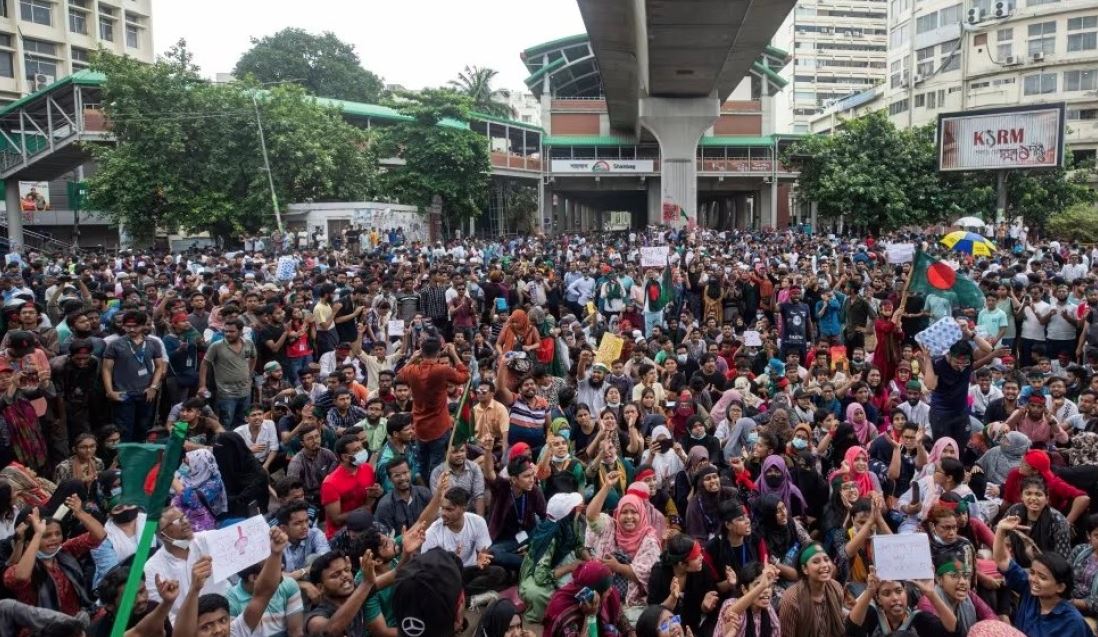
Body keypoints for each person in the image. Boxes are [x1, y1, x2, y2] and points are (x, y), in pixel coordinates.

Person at [3, 495, 105, 615]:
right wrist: (38, 533)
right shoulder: (19, 568)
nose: (54, 539)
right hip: (40, 628)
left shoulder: (65, 551)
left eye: (58, 534)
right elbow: (21, 577)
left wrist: (80, 513)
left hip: (74, 622)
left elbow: (99, 536)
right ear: (28, 543)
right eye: (46, 536)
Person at [993, 514, 1091, 637]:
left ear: (1060, 587)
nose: (1034, 580)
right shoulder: (1029, 590)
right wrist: (1001, 530)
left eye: (1043, 577)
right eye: (1032, 573)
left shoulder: (1072, 622)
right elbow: (1002, 560)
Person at [585, 476, 662, 619]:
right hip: (603, 593)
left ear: (642, 514)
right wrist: (606, 486)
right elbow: (590, 516)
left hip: (632, 601)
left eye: (634, 512)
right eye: (624, 512)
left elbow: (647, 575)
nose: (629, 517)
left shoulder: (649, 539)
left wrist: (618, 567)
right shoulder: (610, 527)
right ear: (617, 514)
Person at [396, 337, 470, 476]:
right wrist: (454, 354)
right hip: (439, 427)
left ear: (421, 352)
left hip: (419, 427)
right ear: (438, 353)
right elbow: (465, 376)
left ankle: (425, 490)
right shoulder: (442, 370)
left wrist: (412, 358)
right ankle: (436, 492)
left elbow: (399, 376)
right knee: (438, 466)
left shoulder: (412, 370)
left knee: (422, 464)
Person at [519, 491, 587, 623]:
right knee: (537, 594)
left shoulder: (569, 524)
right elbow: (541, 577)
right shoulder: (550, 537)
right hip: (537, 572)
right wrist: (570, 567)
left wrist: (589, 559)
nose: (579, 510)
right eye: (575, 508)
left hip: (562, 560)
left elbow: (578, 545)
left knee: (585, 578)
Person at [101, 311, 166, 440]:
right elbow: (106, 369)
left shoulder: (153, 343)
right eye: (127, 326)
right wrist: (110, 391)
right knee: (124, 430)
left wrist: (153, 387)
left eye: (135, 326)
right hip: (123, 393)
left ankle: (140, 458)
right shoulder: (115, 345)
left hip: (146, 393)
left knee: (144, 429)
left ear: (143, 326)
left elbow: (160, 366)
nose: (131, 329)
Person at [846, 566, 956, 636]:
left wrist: (931, 594)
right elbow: (851, 627)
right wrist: (870, 591)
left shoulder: (920, 619)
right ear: (878, 599)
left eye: (899, 591)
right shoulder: (872, 616)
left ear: (906, 592)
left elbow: (953, 631)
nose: (895, 598)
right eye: (886, 593)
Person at [197, 317, 256, 429]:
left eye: (232, 331)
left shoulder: (249, 343)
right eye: (226, 331)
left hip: (245, 391)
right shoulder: (217, 346)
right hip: (226, 393)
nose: (228, 334)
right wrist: (202, 385)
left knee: (243, 422)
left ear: (240, 331)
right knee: (226, 423)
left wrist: (249, 373)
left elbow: (254, 357)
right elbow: (204, 364)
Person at [544, 560, 630, 637]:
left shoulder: (605, 592)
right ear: (594, 592)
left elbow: (621, 618)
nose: (611, 590)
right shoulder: (563, 609)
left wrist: (631, 633)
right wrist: (590, 616)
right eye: (607, 589)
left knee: (611, 631)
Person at [319, 434, 380, 539]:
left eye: (361, 447)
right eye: (357, 450)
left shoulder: (367, 469)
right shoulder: (330, 484)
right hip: (343, 533)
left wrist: (377, 492)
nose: (362, 452)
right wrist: (364, 509)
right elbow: (336, 519)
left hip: (367, 524)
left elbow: (370, 496)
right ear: (345, 457)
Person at [778, 543, 845, 637]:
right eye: (816, 562)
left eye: (826, 560)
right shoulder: (791, 600)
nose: (824, 565)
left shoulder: (836, 588)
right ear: (805, 569)